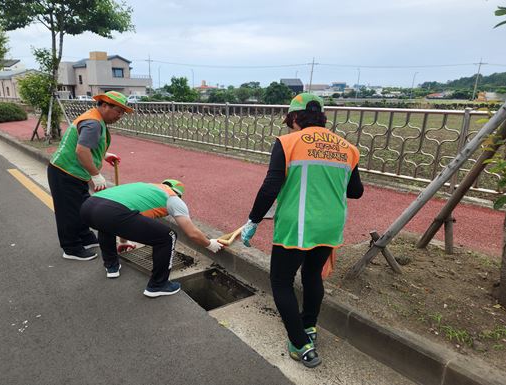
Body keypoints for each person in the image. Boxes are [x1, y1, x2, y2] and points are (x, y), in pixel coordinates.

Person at [241, 93, 364, 368]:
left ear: (295, 117)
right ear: (322, 116)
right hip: (331, 224)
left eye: (289, 121)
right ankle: (309, 327)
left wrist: (253, 221)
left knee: (281, 282)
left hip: (297, 224)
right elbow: (356, 191)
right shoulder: (348, 147)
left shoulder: (287, 143)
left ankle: (300, 344)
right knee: (312, 275)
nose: (289, 126)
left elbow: (271, 186)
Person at [80, 179, 225, 297]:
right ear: (178, 193)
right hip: (112, 212)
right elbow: (192, 233)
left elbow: (122, 215)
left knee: (105, 226)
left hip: (89, 206)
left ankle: (111, 266)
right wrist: (209, 244)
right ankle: (158, 285)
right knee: (168, 237)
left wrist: (124, 240)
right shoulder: (173, 198)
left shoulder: (146, 187)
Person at [47, 91, 133, 261]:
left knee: (82, 207)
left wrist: (104, 155)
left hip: (74, 173)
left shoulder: (95, 119)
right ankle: (71, 247)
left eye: (123, 112)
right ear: (105, 105)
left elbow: (87, 144)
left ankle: (85, 237)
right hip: (65, 172)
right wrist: (96, 174)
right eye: (118, 111)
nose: (120, 116)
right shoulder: (93, 123)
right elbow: (82, 150)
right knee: (69, 212)